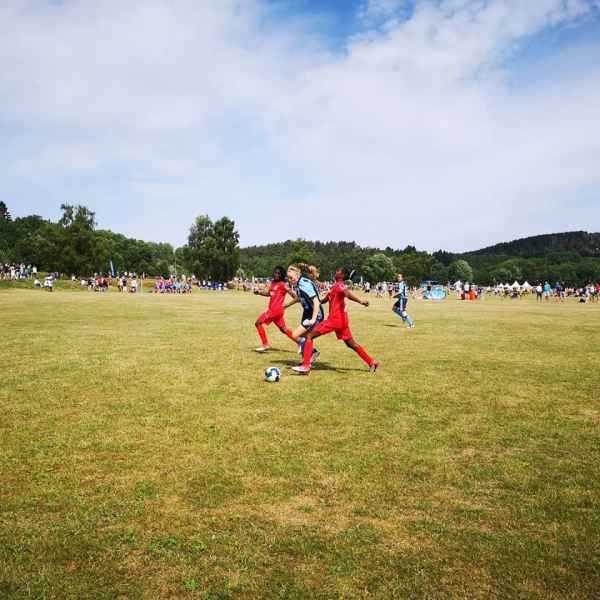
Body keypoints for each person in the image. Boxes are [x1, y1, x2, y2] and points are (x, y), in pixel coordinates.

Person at [292, 266, 379, 375]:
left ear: (342, 275)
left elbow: (347, 294)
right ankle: (372, 362)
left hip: (335, 320)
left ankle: (305, 366)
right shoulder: (335, 286)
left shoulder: (340, 285)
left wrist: (361, 301)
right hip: (342, 321)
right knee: (351, 344)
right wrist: (313, 299)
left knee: (309, 336)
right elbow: (324, 300)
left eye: (338, 271)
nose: (335, 272)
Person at [284, 264, 324, 364]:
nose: (290, 280)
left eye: (291, 277)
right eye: (288, 278)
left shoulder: (304, 284)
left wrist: (313, 319)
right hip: (307, 313)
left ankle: (310, 355)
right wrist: (287, 305)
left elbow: (316, 302)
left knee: (298, 335)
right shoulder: (298, 283)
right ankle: (307, 359)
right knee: (302, 337)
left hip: (315, 314)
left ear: (298, 275)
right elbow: (299, 298)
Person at [254, 266, 297, 352]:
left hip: (275, 311)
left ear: (282, 274)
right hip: (275, 311)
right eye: (275, 272)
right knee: (284, 329)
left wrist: (287, 305)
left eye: (278, 273)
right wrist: (259, 292)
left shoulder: (283, 284)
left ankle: (265, 344)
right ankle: (301, 342)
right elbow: (269, 294)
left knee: (258, 323)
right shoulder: (273, 282)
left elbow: (296, 297)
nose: (276, 274)